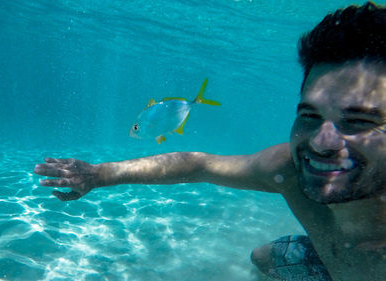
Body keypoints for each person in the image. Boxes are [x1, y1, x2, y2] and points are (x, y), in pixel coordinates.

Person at [34, 2, 386, 281]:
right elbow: (199, 164)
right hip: (329, 263)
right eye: (309, 115)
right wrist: (98, 175)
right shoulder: (287, 170)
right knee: (263, 259)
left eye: (359, 121)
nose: (322, 142)